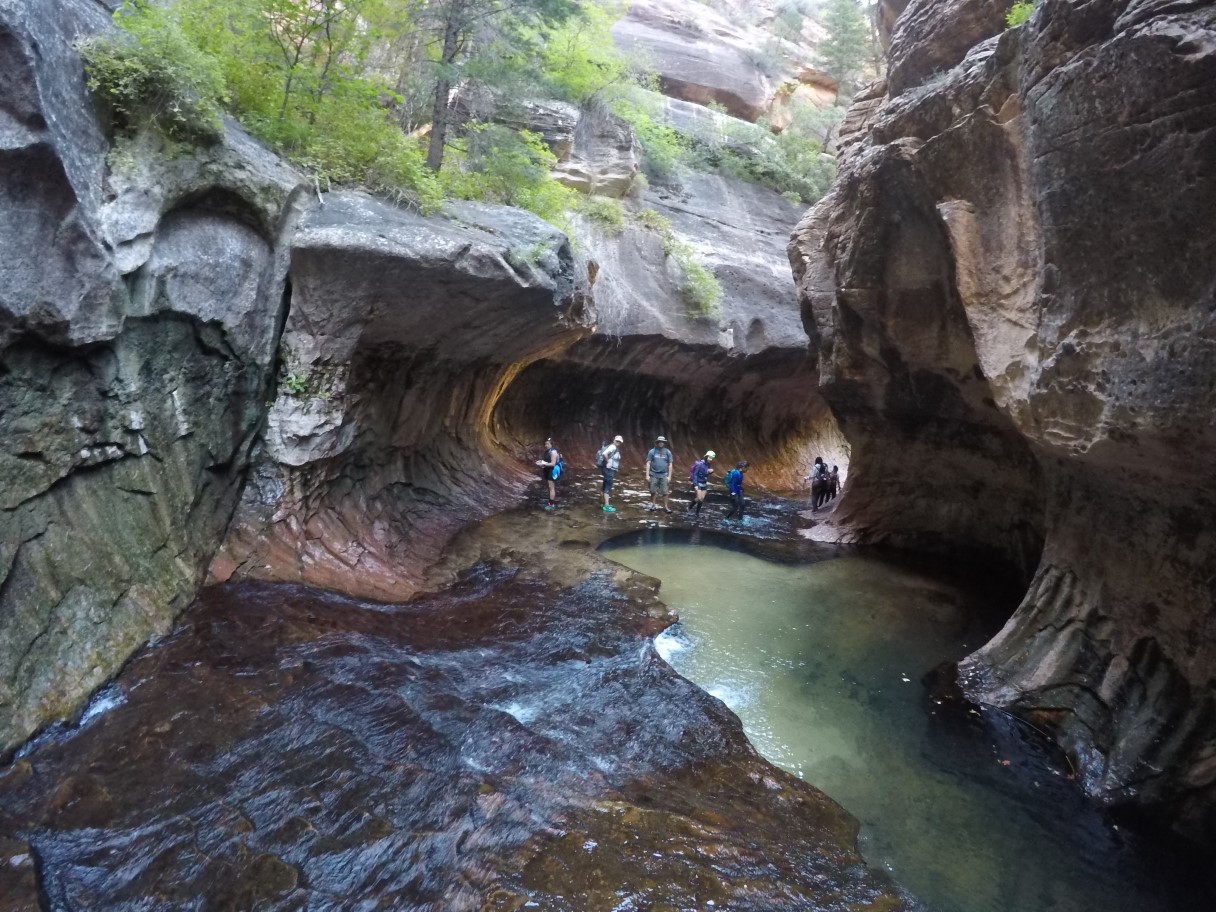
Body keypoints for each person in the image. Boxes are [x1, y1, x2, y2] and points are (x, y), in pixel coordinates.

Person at [645, 435, 675, 512]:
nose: (661, 443)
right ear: (657, 443)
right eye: (660, 442)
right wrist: (647, 475)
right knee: (653, 491)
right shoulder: (652, 451)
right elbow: (648, 463)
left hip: (664, 474)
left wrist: (669, 476)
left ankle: (666, 506)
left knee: (665, 492)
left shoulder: (667, 452)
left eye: (662, 442)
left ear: (664, 443)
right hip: (653, 474)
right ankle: (653, 505)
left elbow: (670, 464)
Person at [598, 435, 624, 513]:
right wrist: (608, 462)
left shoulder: (614, 447)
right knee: (608, 487)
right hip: (609, 469)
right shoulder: (612, 447)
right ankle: (606, 505)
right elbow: (605, 454)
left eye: (619, 441)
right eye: (617, 441)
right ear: (614, 440)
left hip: (609, 470)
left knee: (604, 485)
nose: (618, 442)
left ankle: (602, 503)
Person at [687, 450, 715, 516]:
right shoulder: (699, 464)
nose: (710, 459)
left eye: (712, 458)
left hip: (704, 483)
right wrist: (695, 484)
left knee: (701, 499)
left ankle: (697, 513)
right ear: (706, 456)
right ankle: (689, 507)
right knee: (699, 498)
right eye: (709, 457)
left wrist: (710, 472)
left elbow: (706, 473)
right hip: (698, 483)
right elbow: (695, 475)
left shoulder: (708, 464)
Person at [535, 437, 560, 509]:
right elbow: (546, 461)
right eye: (545, 444)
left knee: (551, 487)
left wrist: (543, 464)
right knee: (549, 487)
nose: (546, 445)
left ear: (551, 444)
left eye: (548, 444)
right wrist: (541, 462)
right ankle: (550, 500)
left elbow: (553, 464)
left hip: (552, 471)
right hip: (547, 470)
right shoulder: (547, 451)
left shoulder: (553, 452)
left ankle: (551, 504)